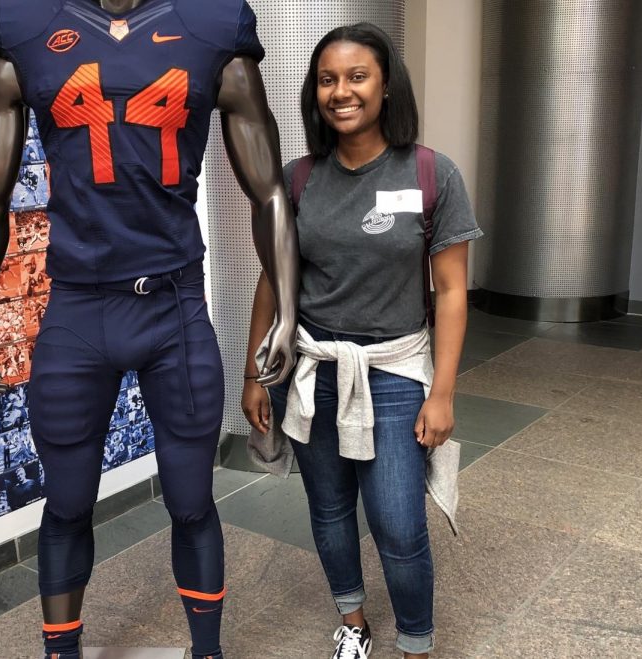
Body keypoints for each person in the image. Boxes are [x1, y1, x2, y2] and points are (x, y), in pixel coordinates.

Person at [0, 1, 299, 658]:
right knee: (67, 501)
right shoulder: (26, 24)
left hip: (173, 306)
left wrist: (288, 305)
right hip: (78, 308)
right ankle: (62, 651)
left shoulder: (211, 22)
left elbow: (271, 192)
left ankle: (208, 651)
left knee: (193, 498)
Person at [242, 24, 482, 659]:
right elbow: (273, 279)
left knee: (399, 522)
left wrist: (445, 392)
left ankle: (416, 642)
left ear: (385, 86)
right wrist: (252, 374)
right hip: (314, 369)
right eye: (327, 79)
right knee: (328, 509)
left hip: (397, 371)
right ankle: (353, 619)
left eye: (356, 77)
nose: (340, 91)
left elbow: (452, 291)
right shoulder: (297, 181)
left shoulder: (432, 172)